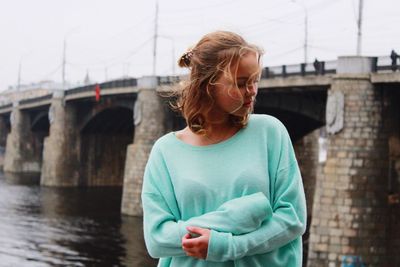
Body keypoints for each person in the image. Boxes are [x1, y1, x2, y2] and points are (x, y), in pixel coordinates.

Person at [141, 30, 307, 267]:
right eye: (241, 83)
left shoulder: (270, 132)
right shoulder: (165, 151)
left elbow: (293, 219)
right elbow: (157, 239)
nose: (252, 91)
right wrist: (243, 215)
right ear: (208, 85)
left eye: (254, 80)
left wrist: (227, 246)